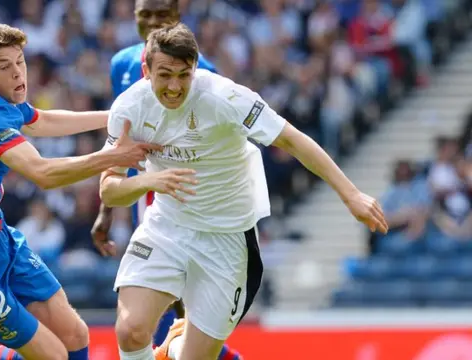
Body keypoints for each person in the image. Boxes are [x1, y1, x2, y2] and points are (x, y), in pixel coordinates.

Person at [100, 23, 389, 360]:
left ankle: (175, 346)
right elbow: (109, 190)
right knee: (131, 330)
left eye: (184, 75)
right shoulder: (128, 110)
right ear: (146, 71)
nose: (175, 87)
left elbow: (291, 139)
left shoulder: (226, 97)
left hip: (226, 238)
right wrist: (146, 182)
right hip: (167, 226)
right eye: (165, 75)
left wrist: (351, 195)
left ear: (195, 69)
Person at [0, 23, 162, 360]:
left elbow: (40, 121)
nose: (19, 73)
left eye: (20, 61)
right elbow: (43, 174)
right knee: (53, 356)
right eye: (5, 67)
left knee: (76, 336)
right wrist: (113, 156)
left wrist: (117, 117)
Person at [91, 1, 243, 358]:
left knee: (189, 313)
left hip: (187, 199)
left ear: (177, 16)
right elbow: (121, 141)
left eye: (162, 15)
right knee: (155, 315)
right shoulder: (122, 64)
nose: (152, 22)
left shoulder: (200, 71)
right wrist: (107, 210)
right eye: (145, 15)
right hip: (146, 196)